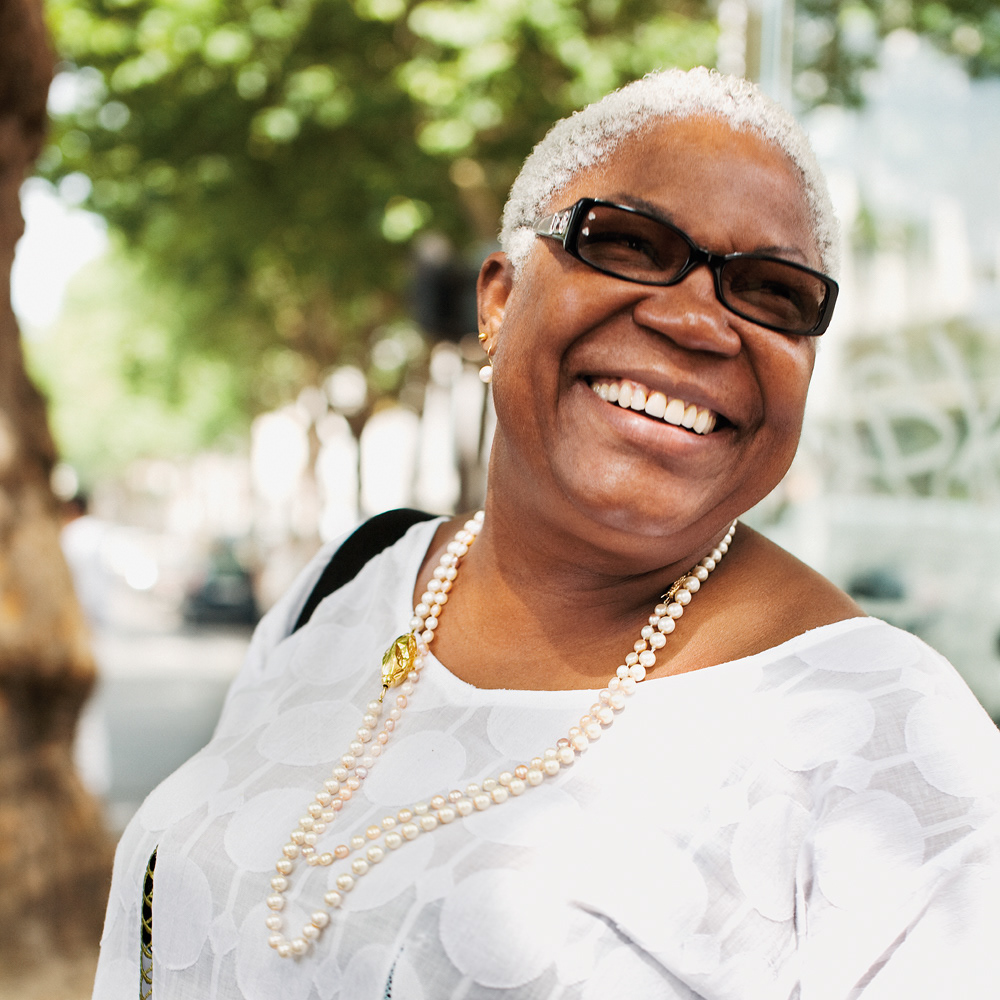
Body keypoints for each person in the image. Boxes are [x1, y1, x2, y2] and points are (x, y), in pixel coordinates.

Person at [92, 67, 1000, 1000]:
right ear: (497, 299)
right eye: (631, 244)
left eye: (774, 293)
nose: (698, 320)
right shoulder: (348, 585)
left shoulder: (887, 741)